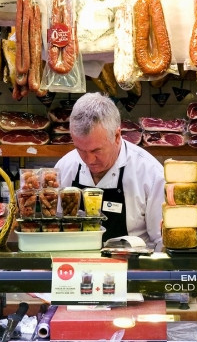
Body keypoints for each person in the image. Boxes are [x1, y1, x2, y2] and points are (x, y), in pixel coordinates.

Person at [55, 93, 165, 250]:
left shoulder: (150, 173)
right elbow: (55, 231)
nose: (89, 160)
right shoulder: (65, 167)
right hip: (75, 267)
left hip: (131, 269)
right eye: (80, 150)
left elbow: (161, 242)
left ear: (117, 136)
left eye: (96, 150)